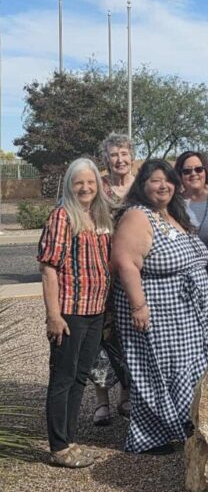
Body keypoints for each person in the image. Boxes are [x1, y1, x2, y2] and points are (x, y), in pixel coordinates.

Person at [111, 159, 208, 454]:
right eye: (155, 181)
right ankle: (149, 437)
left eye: (168, 180)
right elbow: (126, 263)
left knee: (188, 368)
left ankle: (183, 422)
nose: (163, 186)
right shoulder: (137, 216)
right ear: (142, 185)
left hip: (187, 313)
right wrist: (138, 306)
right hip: (157, 309)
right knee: (159, 369)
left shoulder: (173, 213)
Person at [38, 158, 113, 467]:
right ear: (69, 184)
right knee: (63, 378)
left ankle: (69, 440)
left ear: (98, 185)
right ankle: (58, 446)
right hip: (70, 312)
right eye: (79, 182)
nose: (85, 187)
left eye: (90, 182)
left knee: (80, 377)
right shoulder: (62, 216)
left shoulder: (97, 216)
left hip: (95, 312)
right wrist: (53, 315)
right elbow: (48, 268)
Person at [90, 133, 134, 425]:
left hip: (133, 270)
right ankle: (102, 402)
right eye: (113, 155)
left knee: (131, 335)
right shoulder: (98, 188)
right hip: (102, 272)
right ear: (106, 160)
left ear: (132, 156)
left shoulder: (142, 186)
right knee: (101, 338)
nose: (119, 160)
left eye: (123, 154)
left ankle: (128, 396)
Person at [174, 151, 208, 344]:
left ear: (206, 171)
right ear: (179, 175)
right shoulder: (172, 203)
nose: (193, 174)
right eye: (186, 171)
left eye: (198, 169)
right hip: (185, 284)